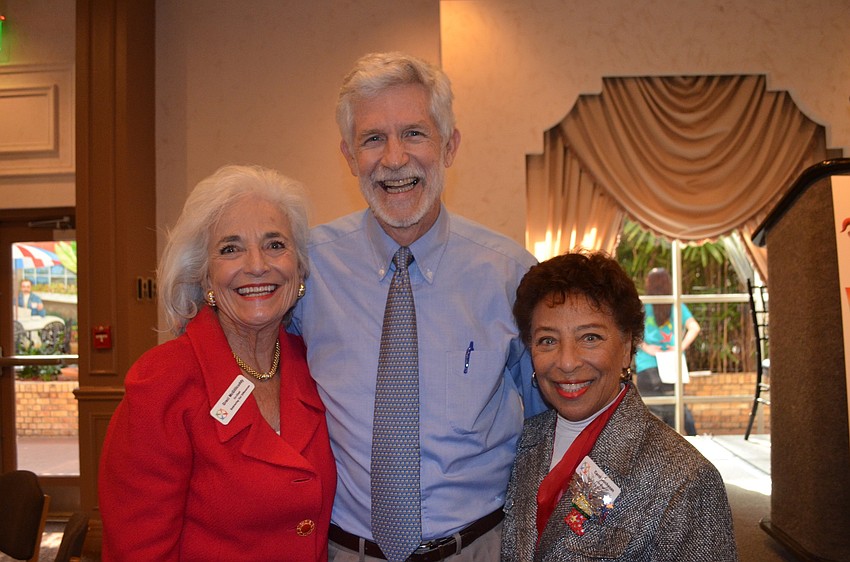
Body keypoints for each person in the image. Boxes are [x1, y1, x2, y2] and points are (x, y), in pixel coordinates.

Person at [290, 52, 546, 562]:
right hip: (346, 551)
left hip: (480, 547)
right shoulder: (305, 270)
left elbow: (549, 417)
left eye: (414, 133)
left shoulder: (510, 274)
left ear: (449, 145)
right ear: (348, 156)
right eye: (372, 139)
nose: (393, 158)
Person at [98, 165, 336, 561]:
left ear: (299, 268)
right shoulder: (162, 383)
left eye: (275, 244)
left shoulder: (315, 365)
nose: (257, 264)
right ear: (205, 277)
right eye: (231, 249)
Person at [502, 251, 738, 561]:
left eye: (590, 337)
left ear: (627, 348)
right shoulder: (523, 441)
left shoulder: (686, 479)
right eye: (548, 340)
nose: (568, 362)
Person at [634, 267, 700, 435]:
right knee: (677, 412)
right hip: (672, 365)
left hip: (647, 366)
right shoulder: (676, 305)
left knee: (649, 415)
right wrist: (680, 348)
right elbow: (694, 327)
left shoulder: (642, 306)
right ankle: (695, 442)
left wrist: (647, 347)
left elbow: (630, 332)